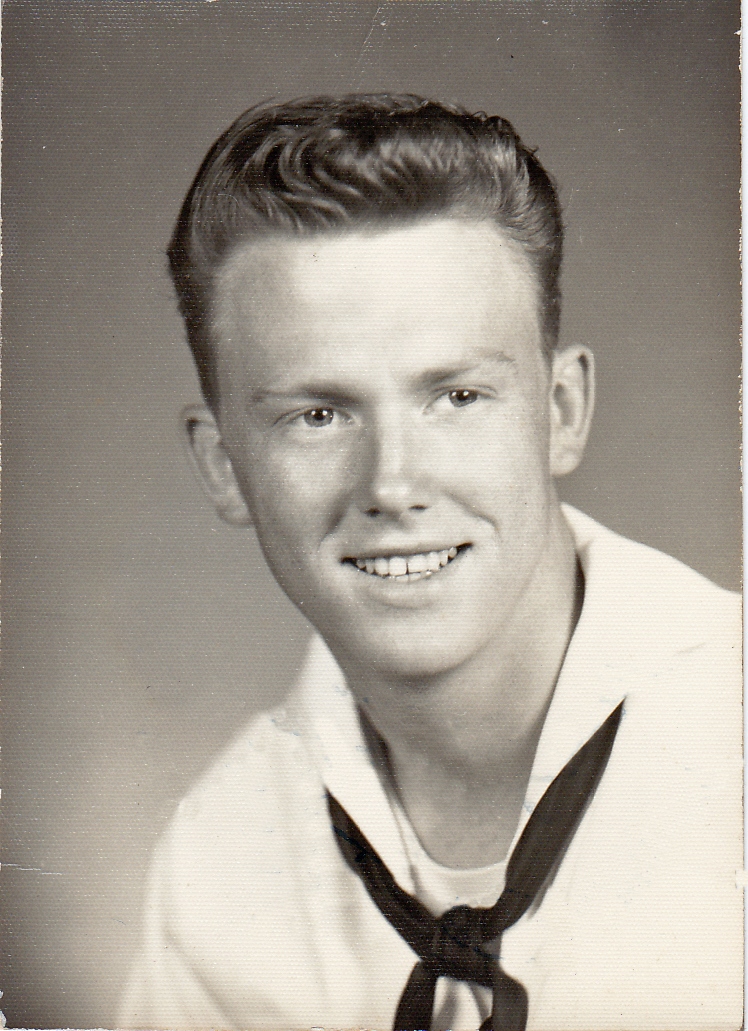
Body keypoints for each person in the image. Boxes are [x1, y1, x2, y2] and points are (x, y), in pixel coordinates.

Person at [119, 95, 742, 1031]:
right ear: (223, 465)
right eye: (317, 414)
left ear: (561, 410)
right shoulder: (221, 862)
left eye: (455, 395)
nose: (393, 484)